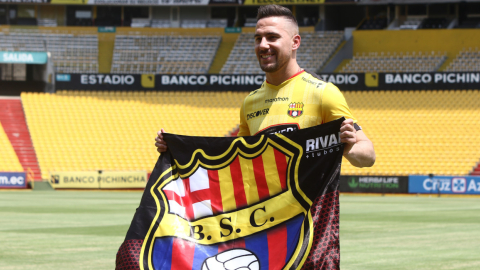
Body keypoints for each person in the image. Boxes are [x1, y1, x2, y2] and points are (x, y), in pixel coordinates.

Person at [156, 4, 375, 168]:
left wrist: (348, 146)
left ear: (295, 42)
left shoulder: (323, 93)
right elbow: (237, 161)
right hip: (264, 222)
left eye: (272, 37)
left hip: (311, 224)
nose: (263, 45)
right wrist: (177, 151)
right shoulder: (250, 102)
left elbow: (368, 155)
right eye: (258, 38)